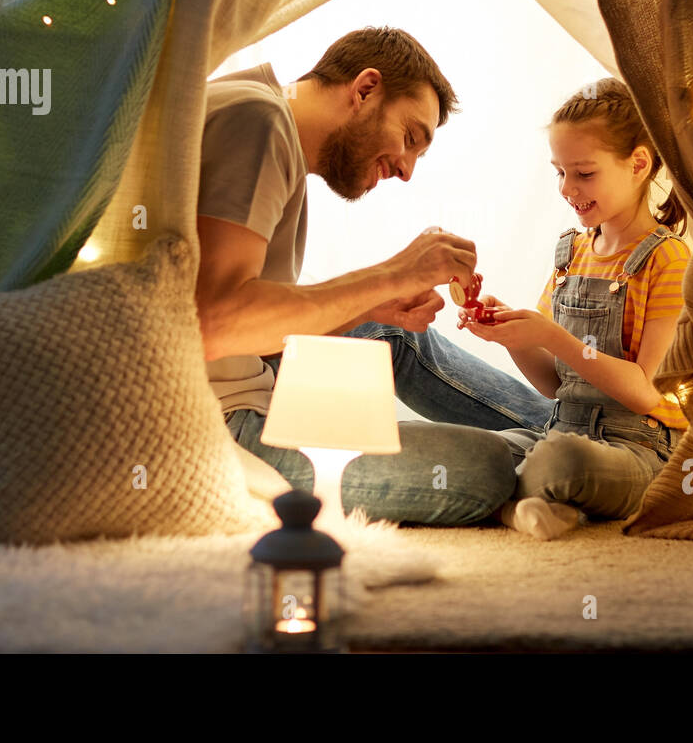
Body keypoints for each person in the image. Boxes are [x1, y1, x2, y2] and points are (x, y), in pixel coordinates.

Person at [196, 26, 554, 525]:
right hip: (221, 423)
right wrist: (393, 273)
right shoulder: (258, 122)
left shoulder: (257, 108)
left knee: (386, 331)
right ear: (365, 89)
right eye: (411, 137)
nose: (407, 171)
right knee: (485, 467)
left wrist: (373, 307)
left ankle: (570, 433)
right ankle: (574, 449)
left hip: (245, 378)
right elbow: (213, 324)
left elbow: (234, 324)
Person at [458, 78, 692, 540]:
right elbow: (552, 383)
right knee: (460, 452)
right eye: (559, 171)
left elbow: (649, 393)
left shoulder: (669, 259)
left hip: (637, 448)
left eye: (584, 173)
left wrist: (551, 335)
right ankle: (525, 504)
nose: (567, 188)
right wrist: (511, 335)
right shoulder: (572, 252)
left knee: (559, 461)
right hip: (559, 428)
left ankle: (506, 504)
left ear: (638, 164)